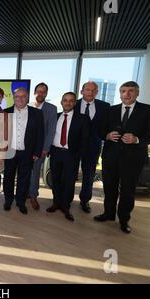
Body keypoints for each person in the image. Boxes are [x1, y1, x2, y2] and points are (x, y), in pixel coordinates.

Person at [94, 81, 150, 233]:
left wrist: (137, 139)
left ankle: (124, 220)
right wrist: (107, 135)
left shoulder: (149, 110)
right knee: (109, 188)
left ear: (137, 93)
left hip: (133, 159)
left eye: (131, 91)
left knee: (127, 191)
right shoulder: (110, 110)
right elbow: (100, 129)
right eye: (124, 91)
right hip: (111, 157)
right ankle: (108, 213)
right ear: (120, 94)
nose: (127, 94)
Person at [47, 92, 90, 222]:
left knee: (69, 181)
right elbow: (49, 133)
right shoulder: (55, 116)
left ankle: (66, 206)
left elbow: (85, 139)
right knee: (55, 179)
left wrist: (78, 154)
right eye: (65, 100)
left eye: (71, 101)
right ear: (61, 102)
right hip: (55, 153)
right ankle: (56, 202)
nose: (68, 103)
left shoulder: (82, 118)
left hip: (71, 154)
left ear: (75, 103)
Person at [3, 88, 44, 215]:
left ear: (27, 98)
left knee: (24, 179)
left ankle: (20, 202)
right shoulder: (6, 112)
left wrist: (37, 152)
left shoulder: (36, 113)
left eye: (23, 96)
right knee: (8, 178)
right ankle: (8, 200)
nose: (20, 99)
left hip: (27, 153)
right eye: (17, 96)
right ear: (13, 98)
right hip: (10, 151)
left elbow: (40, 135)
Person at [74, 81, 110, 213]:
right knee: (70, 173)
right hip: (74, 146)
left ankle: (84, 200)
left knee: (88, 175)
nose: (90, 92)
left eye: (93, 90)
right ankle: (65, 198)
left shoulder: (105, 106)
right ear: (82, 91)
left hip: (93, 147)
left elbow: (107, 126)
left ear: (97, 92)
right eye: (87, 90)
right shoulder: (73, 104)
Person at [28, 83, 57, 210]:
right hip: (23, 147)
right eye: (39, 91)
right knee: (24, 172)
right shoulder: (26, 105)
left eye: (43, 92)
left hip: (40, 148)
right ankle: (24, 193)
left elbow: (51, 130)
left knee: (35, 172)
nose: (41, 94)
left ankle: (33, 196)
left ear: (46, 94)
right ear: (34, 92)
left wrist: (45, 148)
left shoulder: (51, 109)